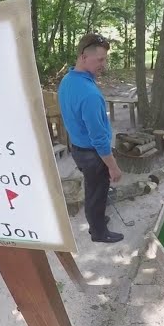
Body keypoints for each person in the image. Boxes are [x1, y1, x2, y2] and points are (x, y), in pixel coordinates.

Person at [58, 33, 124, 243]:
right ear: (84, 57)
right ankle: (98, 232)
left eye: (105, 59)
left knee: (93, 188)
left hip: (78, 148)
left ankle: (97, 219)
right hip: (92, 154)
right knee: (97, 193)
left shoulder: (68, 80)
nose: (103, 64)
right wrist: (113, 167)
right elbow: (99, 140)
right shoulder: (89, 94)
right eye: (100, 59)